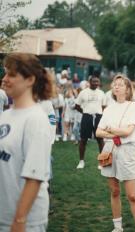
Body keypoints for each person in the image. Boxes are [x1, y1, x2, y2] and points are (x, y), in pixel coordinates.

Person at [0, 53, 54, 232]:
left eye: (12, 75)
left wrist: (19, 220)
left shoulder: (36, 119)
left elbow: (34, 177)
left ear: (30, 80)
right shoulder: (5, 116)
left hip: (24, 221)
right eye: (5, 73)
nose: (5, 79)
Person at [96, 75, 135, 232]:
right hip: (109, 150)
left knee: (132, 195)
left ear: (128, 89)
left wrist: (110, 130)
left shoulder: (134, 107)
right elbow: (98, 132)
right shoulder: (109, 108)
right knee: (114, 191)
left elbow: (128, 131)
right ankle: (118, 227)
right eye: (114, 84)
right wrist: (115, 134)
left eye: (120, 85)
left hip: (127, 151)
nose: (116, 87)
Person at [75, 71, 106, 169]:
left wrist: (99, 114)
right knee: (83, 140)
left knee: (100, 140)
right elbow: (77, 106)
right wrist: (85, 113)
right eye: (94, 82)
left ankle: (101, 162)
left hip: (98, 117)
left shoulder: (101, 93)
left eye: (97, 82)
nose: (96, 83)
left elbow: (104, 106)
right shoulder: (83, 92)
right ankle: (81, 161)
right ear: (90, 82)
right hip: (86, 117)